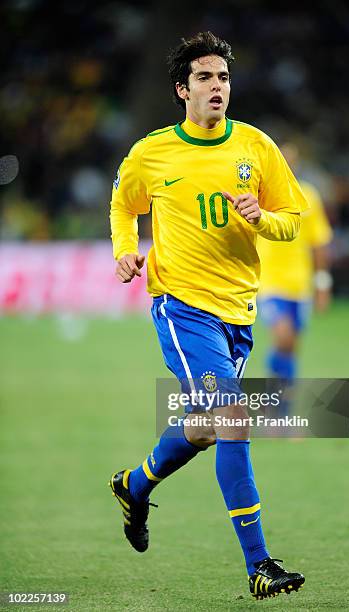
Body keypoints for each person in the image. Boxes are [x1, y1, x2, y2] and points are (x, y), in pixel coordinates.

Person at [108, 32, 308, 600]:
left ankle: (135, 484)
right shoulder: (152, 152)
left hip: (237, 310)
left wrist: (262, 218)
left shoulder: (255, 147)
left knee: (205, 426)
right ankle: (259, 563)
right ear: (182, 89)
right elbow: (124, 203)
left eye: (222, 76)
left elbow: (291, 217)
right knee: (234, 416)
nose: (216, 86)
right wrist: (125, 248)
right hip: (181, 306)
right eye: (204, 78)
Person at [257, 143, 333, 408]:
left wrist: (322, 283)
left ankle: (278, 400)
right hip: (268, 283)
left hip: (300, 286)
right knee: (283, 337)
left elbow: (319, 242)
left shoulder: (308, 196)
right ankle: (280, 409)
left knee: (289, 349)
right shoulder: (258, 194)